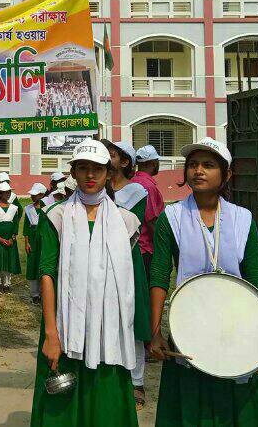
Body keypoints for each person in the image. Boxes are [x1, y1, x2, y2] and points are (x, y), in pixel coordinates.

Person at [148, 137, 258, 427]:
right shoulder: (171, 218)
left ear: (226, 175)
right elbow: (159, 276)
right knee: (192, 396)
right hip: (190, 326)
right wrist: (156, 331)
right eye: (193, 164)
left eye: (208, 165)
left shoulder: (242, 219)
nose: (198, 171)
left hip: (237, 324)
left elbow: (255, 279)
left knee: (240, 395)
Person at [30, 138, 141, 427]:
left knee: (106, 401)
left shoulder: (126, 222)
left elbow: (131, 284)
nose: (90, 176)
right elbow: (47, 274)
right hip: (66, 324)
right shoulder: (56, 216)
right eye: (83, 168)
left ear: (109, 173)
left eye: (97, 169)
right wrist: (52, 334)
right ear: (74, 173)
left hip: (109, 326)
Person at [102, 140, 151, 410]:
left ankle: (137, 381)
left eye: (113, 153)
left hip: (126, 261)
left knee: (132, 321)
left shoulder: (136, 192)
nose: (108, 157)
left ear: (125, 162)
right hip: (99, 260)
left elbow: (127, 227)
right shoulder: (93, 187)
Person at [132, 145, 164, 282]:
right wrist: (163, 246)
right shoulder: (148, 186)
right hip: (145, 249)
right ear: (152, 163)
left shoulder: (132, 181)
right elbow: (151, 220)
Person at [0, 182, 21, 293]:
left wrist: (12, 238)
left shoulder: (14, 208)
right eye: (6, 192)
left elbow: (15, 224)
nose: (8, 194)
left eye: (9, 192)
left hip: (9, 238)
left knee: (8, 260)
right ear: (0, 194)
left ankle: (7, 283)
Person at [24, 182, 48, 304]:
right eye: (32, 195)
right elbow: (26, 228)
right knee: (33, 263)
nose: (32, 197)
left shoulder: (47, 208)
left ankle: (44, 292)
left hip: (44, 239)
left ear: (42, 195)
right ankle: (35, 294)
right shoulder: (28, 209)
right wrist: (27, 242)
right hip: (33, 239)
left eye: (35, 194)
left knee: (43, 264)